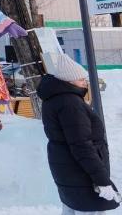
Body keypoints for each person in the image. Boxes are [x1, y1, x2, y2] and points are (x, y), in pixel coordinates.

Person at [38, 54, 120, 213]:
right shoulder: (71, 104)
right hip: (80, 174)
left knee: (71, 208)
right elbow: (82, 145)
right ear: (69, 81)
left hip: (66, 170)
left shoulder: (53, 99)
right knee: (88, 209)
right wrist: (102, 181)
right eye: (81, 79)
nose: (85, 83)